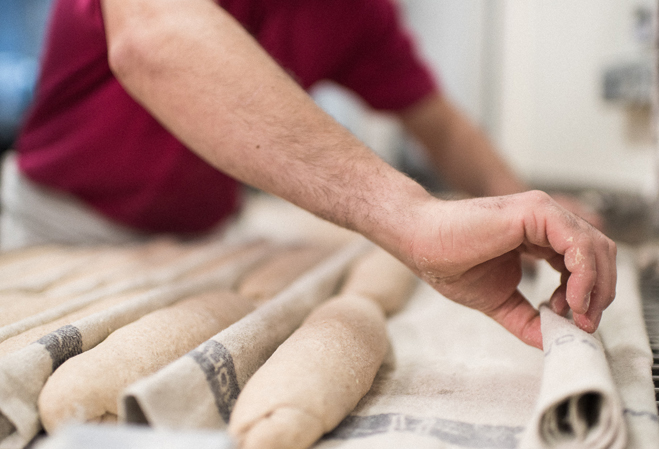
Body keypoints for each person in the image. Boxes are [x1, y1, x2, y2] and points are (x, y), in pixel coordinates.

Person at [0, 0, 616, 349]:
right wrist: (412, 217)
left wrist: (522, 203)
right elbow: (155, 38)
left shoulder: (355, 13)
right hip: (46, 226)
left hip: (201, 240)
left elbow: (441, 126)